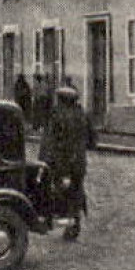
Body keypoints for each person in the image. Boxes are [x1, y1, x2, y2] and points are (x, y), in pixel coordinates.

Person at [43, 84, 91, 241]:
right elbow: (92, 140)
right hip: (78, 163)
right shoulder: (82, 114)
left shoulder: (57, 115)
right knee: (76, 192)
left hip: (61, 162)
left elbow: (49, 141)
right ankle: (74, 224)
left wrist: (44, 160)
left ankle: (59, 222)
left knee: (60, 192)